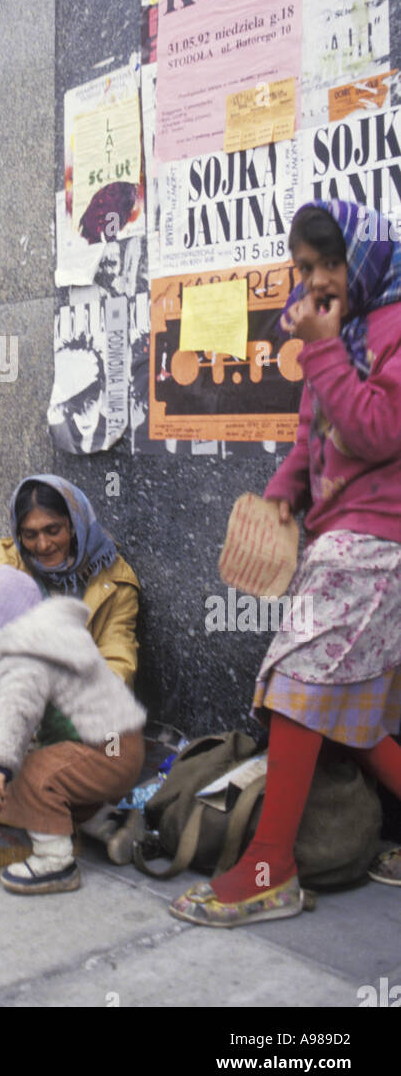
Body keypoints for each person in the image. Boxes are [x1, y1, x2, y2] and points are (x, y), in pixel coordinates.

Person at [171, 200, 401, 928]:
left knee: (300, 683)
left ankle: (271, 865)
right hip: (340, 539)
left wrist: (327, 346)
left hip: (378, 541)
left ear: (354, 262)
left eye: (317, 266)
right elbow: (315, 435)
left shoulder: (388, 329)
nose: (305, 282)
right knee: (347, 715)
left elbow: (373, 431)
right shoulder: (344, 334)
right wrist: (281, 495)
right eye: (298, 268)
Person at [0, 564, 146, 894]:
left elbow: (14, 711)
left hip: (108, 747)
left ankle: (55, 862)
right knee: (38, 777)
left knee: (34, 774)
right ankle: (109, 822)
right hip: (119, 743)